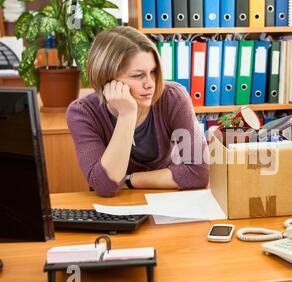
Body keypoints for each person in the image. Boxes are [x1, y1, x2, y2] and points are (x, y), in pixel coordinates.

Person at [67, 26, 209, 197]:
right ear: (107, 78)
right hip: (115, 209)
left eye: (153, 72)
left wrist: (130, 180)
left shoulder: (172, 97)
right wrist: (127, 115)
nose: (150, 83)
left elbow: (198, 173)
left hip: (165, 200)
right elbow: (105, 186)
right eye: (138, 75)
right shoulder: (83, 113)